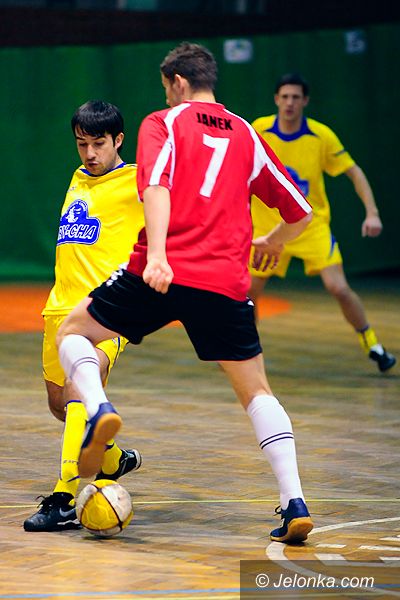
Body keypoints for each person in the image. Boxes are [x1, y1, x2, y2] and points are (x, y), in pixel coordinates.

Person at [56, 42, 314, 544]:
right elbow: (300, 212)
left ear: (177, 82)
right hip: (225, 280)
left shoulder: (164, 122)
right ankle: (295, 503)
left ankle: (99, 408)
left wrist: (157, 255)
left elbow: (155, 185)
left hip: (163, 269)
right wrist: (272, 242)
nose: (165, 95)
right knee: (257, 392)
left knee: (74, 332)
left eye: (165, 87)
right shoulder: (247, 133)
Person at [24, 100, 145, 532]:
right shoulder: (78, 177)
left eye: (99, 144)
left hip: (105, 310)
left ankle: (63, 498)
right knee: (61, 406)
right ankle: (113, 459)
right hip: (60, 308)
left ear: (118, 140)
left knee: (79, 390)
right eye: (82, 144)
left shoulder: (137, 181)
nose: (90, 153)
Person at [250, 73, 396, 373]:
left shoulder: (321, 136)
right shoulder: (258, 130)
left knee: (338, 287)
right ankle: (247, 351)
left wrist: (372, 212)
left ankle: (373, 344)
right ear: (276, 99)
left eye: (295, 97)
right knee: (249, 293)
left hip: (309, 225)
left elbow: (354, 172)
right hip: (266, 228)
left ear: (305, 101)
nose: (290, 103)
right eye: (284, 97)